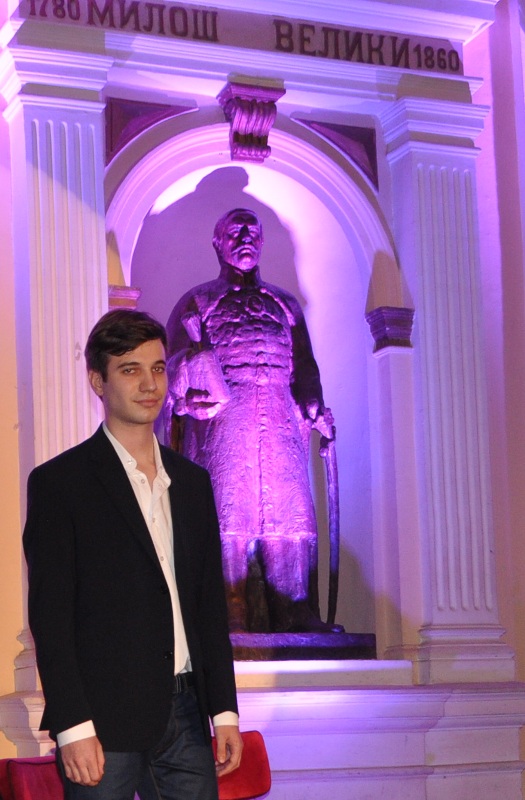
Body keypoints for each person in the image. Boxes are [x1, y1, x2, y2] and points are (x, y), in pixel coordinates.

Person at [23, 309, 243, 800]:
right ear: (97, 381)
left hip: (187, 715)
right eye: (130, 369)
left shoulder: (192, 482)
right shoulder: (61, 483)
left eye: (158, 368)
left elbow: (209, 606)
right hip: (102, 721)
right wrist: (73, 726)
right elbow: (51, 616)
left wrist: (224, 712)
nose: (150, 384)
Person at [166, 208, 336, 634]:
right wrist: (188, 387)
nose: (245, 237)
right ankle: (229, 613)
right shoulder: (198, 301)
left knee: (289, 513)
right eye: (235, 231)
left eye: (252, 231)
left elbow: (305, 363)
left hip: (280, 417)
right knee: (229, 513)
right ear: (218, 242)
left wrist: (313, 403)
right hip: (226, 422)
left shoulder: (285, 303)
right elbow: (171, 363)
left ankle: (294, 610)